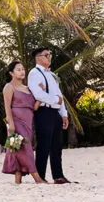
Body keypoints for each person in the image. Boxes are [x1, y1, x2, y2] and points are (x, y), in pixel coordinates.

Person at [27, 47, 72, 184]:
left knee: (57, 146)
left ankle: (58, 175)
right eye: (46, 55)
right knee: (43, 145)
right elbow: (38, 94)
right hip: (43, 112)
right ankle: (40, 176)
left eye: (50, 54)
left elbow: (60, 95)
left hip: (55, 112)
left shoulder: (51, 75)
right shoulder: (34, 73)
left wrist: (63, 114)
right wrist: (55, 100)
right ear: (38, 58)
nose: (49, 57)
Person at [1, 61, 44, 185]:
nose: (22, 71)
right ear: (11, 73)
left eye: (23, 69)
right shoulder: (9, 87)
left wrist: (41, 94)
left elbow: (34, 107)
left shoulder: (28, 89)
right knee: (25, 148)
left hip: (28, 122)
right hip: (16, 122)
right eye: (18, 69)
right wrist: (11, 124)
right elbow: (7, 107)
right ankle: (37, 178)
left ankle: (17, 179)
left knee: (16, 149)